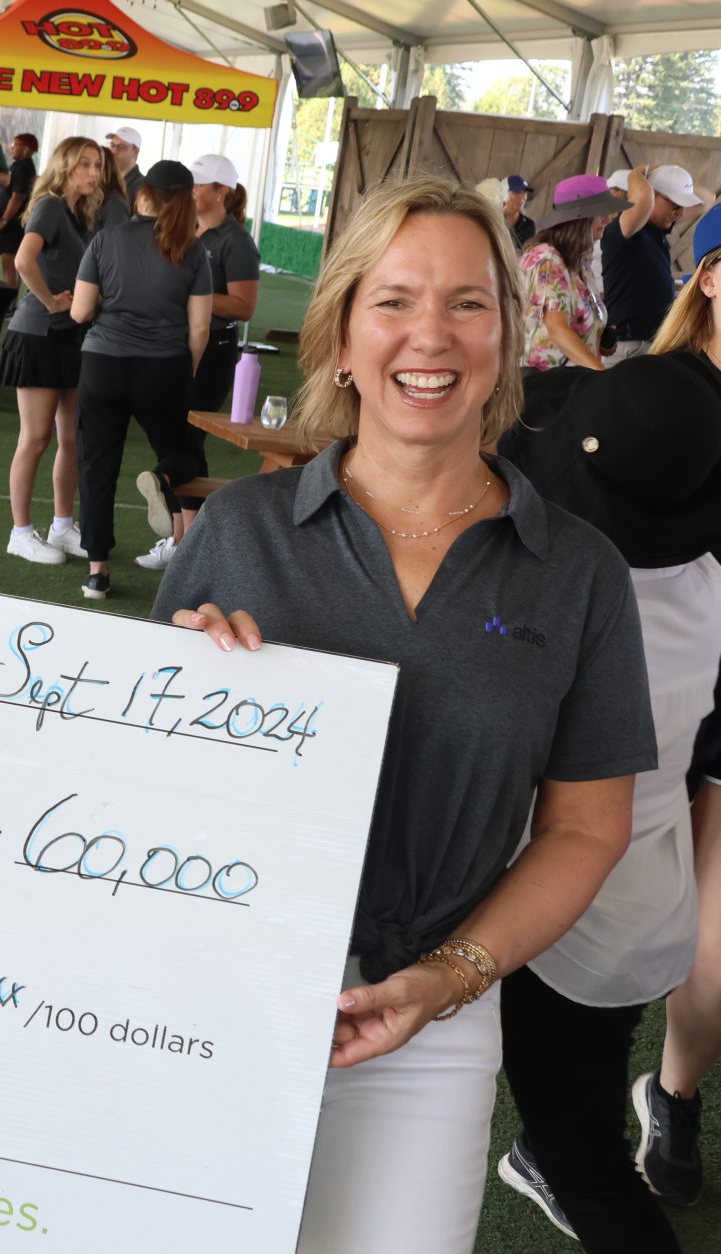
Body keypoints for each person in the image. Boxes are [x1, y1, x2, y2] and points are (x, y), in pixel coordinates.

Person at [155, 175, 654, 1254]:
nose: (430, 334)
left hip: (426, 1020)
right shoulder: (237, 532)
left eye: (468, 303)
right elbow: (125, 784)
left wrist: (451, 976)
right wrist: (177, 702)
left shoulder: (579, 575)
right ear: (340, 335)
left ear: (510, 335)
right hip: (208, 992)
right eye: (394, 300)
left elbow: (584, 827)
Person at [491, 330, 721, 1250]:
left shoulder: (554, 596)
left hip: (556, 902)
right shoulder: (707, 589)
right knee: (578, 1092)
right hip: (642, 899)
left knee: (587, 1159)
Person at [629, 205, 721, 1216]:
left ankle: (673, 1093)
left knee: (713, 957)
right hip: (643, 703)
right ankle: (561, 1126)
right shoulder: (661, 394)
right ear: (709, 278)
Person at [68, 159, 211, 599]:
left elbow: (79, 311)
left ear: (143, 193)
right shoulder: (192, 249)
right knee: (187, 456)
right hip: (164, 366)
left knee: (96, 466)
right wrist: (185, 370)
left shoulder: (106, 239)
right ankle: (164, 483)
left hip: (103, 364)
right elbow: (200, 328)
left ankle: (97, 571)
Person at [132, 153, 260, 572]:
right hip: (176, 344)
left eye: (200, 183)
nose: (191, 189)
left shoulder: (235, 240)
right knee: (179, 439)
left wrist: (193, 289)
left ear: (223, 191)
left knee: (187, 440)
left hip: (214, 351)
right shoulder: (183, 228)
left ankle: (180, 530)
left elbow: (244, 306)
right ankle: (184, 539)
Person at [0, 137, 105, 566]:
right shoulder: (49, 205)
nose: (93, 172)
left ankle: (62, 526)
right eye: (84, 164)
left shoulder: (79, 213)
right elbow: (24, 261)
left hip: (72, 337)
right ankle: (20, 533)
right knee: (36, 438)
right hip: (39, 334)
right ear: (64, 166)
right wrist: (50, 301)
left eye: (96, 164)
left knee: (71, 439)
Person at [519, 173, 625, 372]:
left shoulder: (579, 261)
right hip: (544, 387)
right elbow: (558, 329)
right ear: (580, 218)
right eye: (601, 212)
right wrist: (602, 374)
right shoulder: (547, 260)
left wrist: (598, 336)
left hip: (570, 381)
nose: (608, 219)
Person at [605, 164, 701, 363]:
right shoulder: (624, 230)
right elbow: (642, 198)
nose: (681, 213)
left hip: (653, 343)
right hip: (628, 346)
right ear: (652, 196)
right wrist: (639, 172)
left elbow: (704, 203)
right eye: (675, 204)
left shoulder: (658, 233)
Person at [0, 133, 40, 286]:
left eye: (16, 145)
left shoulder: (23, 168)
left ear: (27, 150)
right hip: (12, 223)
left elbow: (17, 197)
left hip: (13, 224)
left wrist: (3, 220)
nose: (12, 148)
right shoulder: (20, 167)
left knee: (9, 264)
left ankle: (10, 304)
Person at [105, 126, 143, 213]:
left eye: (121, 147)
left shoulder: (141, 188)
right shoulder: (105, 179)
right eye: (112, 145)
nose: (113, 151)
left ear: (135, 152)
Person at [504, 173, 536, 250]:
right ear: (504, 194)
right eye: (517, 192)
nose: (522, 197)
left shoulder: (529, 225)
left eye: (525, 192)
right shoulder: (494, 221)